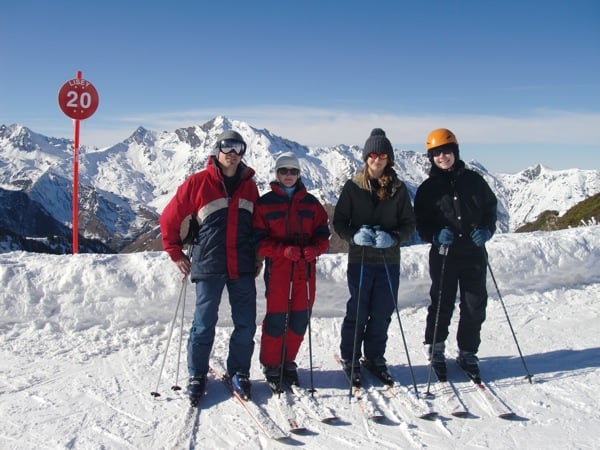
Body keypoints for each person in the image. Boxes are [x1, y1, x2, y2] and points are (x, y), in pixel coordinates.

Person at [158, 129, 260, 402]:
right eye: (227, 147)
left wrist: (258, 256)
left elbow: (257, 226)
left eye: (238, 148)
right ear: (217, 150)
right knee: (203, 324)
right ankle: (197, 374)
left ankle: (238, 371)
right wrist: (175, 252)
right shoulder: (198, 182)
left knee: (246, 324)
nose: (232, 154)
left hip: (242, 265)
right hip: (209, 263)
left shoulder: (250, 185)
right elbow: (169, 218)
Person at [413, 128, 498, 383]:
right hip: (444, 255)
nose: (442, 157)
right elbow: (421, 224)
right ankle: (435, 348)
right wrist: (436, 235)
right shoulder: (428, 189)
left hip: (473, 253)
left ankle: (468, 352)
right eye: (436, 153)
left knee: (474, 305)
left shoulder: (475, 181)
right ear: (431, 157)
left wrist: (487, 230)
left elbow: (490, 211)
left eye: (446, 151)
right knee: (442, 302)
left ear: (455, 152)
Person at [333, 128, 416, 387]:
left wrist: (394, 238)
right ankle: (350, 358)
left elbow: (409, 224)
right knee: (357, 311)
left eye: (382, 154)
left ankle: (375, 357)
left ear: (389, 158)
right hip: (360, 260)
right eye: (372, 154)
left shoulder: (399, 189)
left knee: (382, 311)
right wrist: (354, 236)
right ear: (365, 157)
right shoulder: (352, 187)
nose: (376, 159)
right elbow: (339, 222)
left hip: (388, 260)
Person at [253, 151, 330, 392]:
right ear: (276, 173)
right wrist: (282, 250)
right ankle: (271, 364)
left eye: (293, 171)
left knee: (299, 318)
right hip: (279, 269)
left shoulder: (311, 203)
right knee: (276, 319)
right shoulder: (265, 204)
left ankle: (288, 361)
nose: (288, 175)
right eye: (284, 171)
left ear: (299, 174)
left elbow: (323, 234)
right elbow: (257, 240)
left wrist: (315, 249)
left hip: (305, 270)